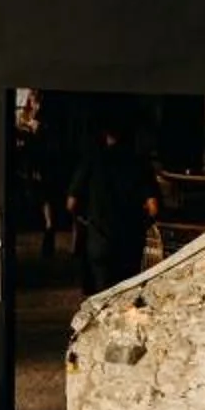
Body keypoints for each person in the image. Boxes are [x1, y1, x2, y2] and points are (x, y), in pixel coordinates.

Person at [67, 125, 161, 292]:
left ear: (105, 135)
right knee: (126, 296)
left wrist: (85, 218)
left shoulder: (92, 160)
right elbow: (154, 208)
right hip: (130, 242)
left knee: (102, 295)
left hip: (99, 239)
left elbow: (71, 204)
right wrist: (142, 222)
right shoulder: (139, 163)